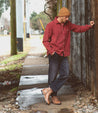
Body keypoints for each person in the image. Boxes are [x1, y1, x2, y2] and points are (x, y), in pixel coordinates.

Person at [42, 7, 94, 105]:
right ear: (61, 16)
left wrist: (89, 26)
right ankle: (54, 96)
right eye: (66, 17)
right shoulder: (51, 26)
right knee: (52, 76)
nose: (67, 19)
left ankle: (48, 90)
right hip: (54, 54)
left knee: (65, 74)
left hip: (64, 54)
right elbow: (45, 41)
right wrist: (52, 51)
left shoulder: (68, 25)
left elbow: (78, 28)